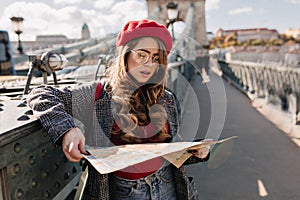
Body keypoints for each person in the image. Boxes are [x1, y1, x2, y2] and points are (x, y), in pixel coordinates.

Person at [27, 19, 210, 200]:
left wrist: (196, 151)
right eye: (142, 55)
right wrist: (67, 129)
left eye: (156, 58)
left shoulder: (166, 98)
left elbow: (169, 150)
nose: (149, 63)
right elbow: (40, 93)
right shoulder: (100, 94)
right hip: (125, 193)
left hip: (168, 186)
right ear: (126, 55)